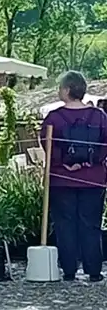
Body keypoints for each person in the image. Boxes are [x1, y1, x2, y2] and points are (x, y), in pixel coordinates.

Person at [41, 72, 107, 283]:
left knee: (65, 224)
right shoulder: (99, 116)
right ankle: (94, 270)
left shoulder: (53, 118)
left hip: (61, 179)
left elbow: (47, 144)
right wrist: (90, 161)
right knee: (91, 224)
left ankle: (69, 269)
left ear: (67, 90)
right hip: (93, 178)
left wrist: (65, 163)